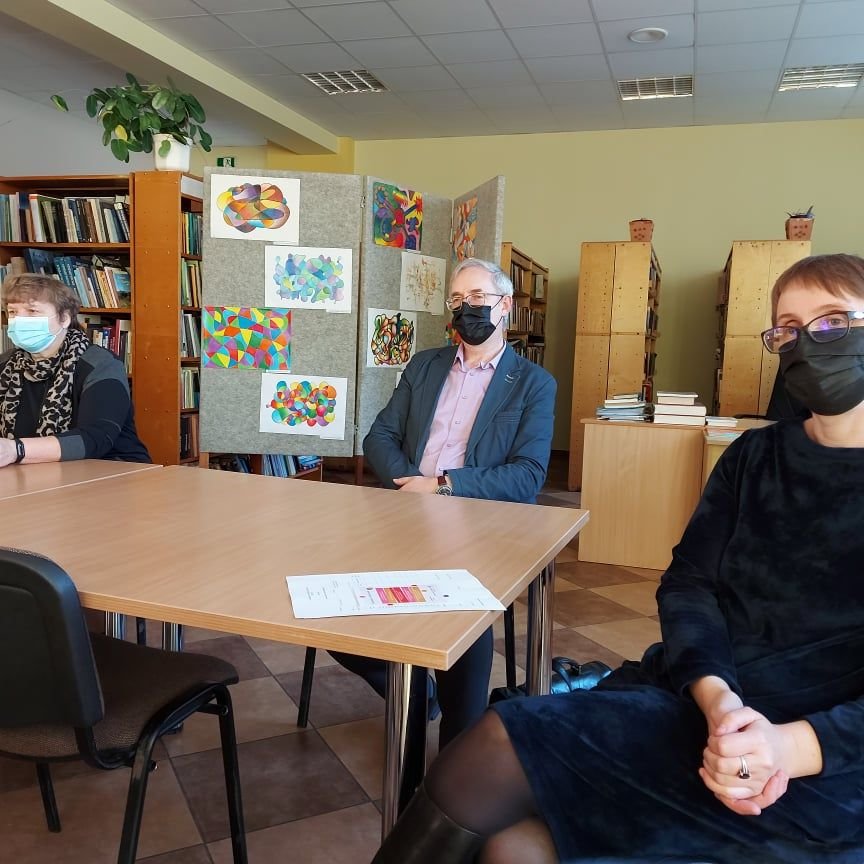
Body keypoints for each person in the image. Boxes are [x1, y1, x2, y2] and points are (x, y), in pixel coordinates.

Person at [372, 252, 864, 864]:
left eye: (833, 321)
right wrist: (720, 701)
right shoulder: (751, 457)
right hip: (702, 700)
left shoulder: (532, 382)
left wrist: (786, 748)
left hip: (822, 762)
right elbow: (689, 586)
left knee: (520, 843)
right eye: (788, 328)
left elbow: (524, 475)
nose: (808, 342)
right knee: (505, 801)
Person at [331, 257, 556, 749]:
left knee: (462, 619)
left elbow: (527, 475)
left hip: (477, 524)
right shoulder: (425, 365)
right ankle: (414, 694)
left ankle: (454, 756)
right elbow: (379, 436)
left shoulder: (534, 384)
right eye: (457, 299)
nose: (465, 307)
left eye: (477, 297)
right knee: (332, 610)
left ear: (505, 306)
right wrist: (409, 485)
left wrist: (442, 485)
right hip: (404, 514)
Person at [0, 273, 150, 466]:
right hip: (36, 472)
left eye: (32, 311)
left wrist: (16, 449)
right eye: (13, 312)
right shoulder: (5, 365)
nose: (20, 320)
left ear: (64, 318)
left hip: (113, 469)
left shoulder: (100, 364)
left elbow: (96, 437)